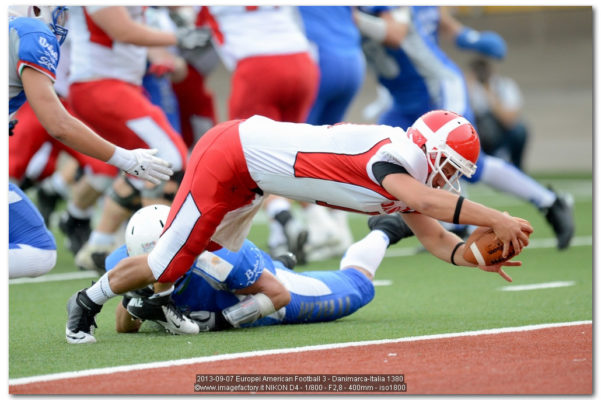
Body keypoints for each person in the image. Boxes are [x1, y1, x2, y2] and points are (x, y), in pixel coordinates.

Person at [65, 109, 534, 344]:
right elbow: (423, 199)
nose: (449, 178)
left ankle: (155, 301)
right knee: (169, 259)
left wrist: (470, 256)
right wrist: (496, 216)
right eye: (448, 167)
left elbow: (434, 235)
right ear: (430, 152)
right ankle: (85, 303)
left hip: (250, 178)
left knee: (200, 257)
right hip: (229, 156)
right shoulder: (394, 158)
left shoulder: (406, 175)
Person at [110, 204, 519, 334]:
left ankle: (386, 230)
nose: (161, 271)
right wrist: (137, 301)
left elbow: (278, 296)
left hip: (267, 291)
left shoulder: (217, 256)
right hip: (244, 281)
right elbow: (123, 325)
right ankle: (281, 260)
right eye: (151, 267)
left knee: (358, 289)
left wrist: (216, 323)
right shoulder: (130, 261)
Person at [356, 6, 573, 249]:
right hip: (404, 101)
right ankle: (453, 226)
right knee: (381, 154)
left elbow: (405, 32)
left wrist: (473, 38)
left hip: (441, 90)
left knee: (464, 161)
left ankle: (550, 202)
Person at [8, 6, 173, 279]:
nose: (60, 19)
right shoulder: (31, 31)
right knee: (38, 250)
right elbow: (59, 125)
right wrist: (127, 159)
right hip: (83, 95)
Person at [58, 5, 209, 271]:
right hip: (101, 86)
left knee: (144, 165)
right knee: (170, 159)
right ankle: (161, 253)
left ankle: (98, 245)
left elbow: (139, 32)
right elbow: (122, 30)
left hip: (119, 86)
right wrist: (178, 36)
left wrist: (169, 47)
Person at [467, 57, 529, 170]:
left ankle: (516, 167)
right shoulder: (468, 88)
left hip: (501, 134)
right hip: (479, 136)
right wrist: (468, 87)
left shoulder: (504, 86)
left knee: (520, 130)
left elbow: (509, 120)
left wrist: (489, 93)